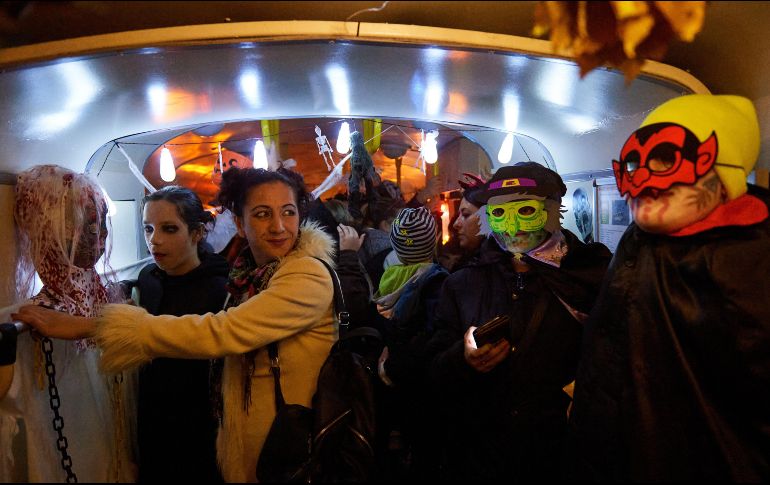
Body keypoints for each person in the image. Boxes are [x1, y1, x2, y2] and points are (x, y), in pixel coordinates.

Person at [14, 167, 338, 483]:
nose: (279, 226)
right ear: (240, 223)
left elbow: (223, 332)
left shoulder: (305, 275)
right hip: (244, 442)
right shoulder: (247, 276)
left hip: (286, 446)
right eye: (263, 214)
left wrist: (89, 327)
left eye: (288, 212)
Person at [569, 94, 770, 482]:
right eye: (635, 163)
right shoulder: (638, 242)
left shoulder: (751, 263)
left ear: (723, 175)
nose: (645, 179)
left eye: (667, 159)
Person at [427, 162, 611, 483]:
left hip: (561, 454)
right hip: (483, 456)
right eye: (499, 214)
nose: (512, 227)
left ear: (552, 211)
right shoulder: (462, 284)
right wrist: (462, 358)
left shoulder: (590, 277)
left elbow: (617, 359)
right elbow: (433, 369)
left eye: (526, 211)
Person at [1, 165, 134, 482]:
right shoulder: (27, 321)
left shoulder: (105, 299)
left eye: (100, 226)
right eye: (85, 226)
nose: (99, 239)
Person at [133, 186, 228, 483]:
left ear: (197, 233)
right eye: (148, 228)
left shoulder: (219, 289)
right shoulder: (148, 279)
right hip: (152, 416)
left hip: (201, 424)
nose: (154, 240)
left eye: (169, 229)